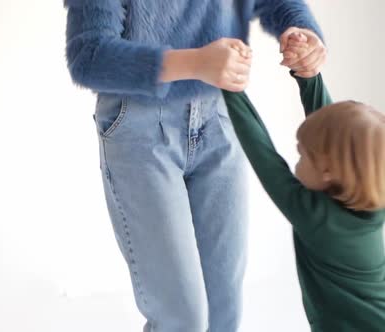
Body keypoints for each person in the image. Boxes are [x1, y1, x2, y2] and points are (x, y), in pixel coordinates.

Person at [64, 1, 326, 331]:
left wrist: (300, 31)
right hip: (140, 127)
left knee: (223, 311)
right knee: (182, 317)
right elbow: (87, 57)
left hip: (220, 114)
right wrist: (195, 63)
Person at [223, 67, 385, 331]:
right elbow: (335, 136)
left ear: (328, 171)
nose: (296, 162)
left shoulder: (315, 217)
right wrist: (308, 76)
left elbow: (262, 154)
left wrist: (230, 86)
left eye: (303, 155)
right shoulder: (373, 206)